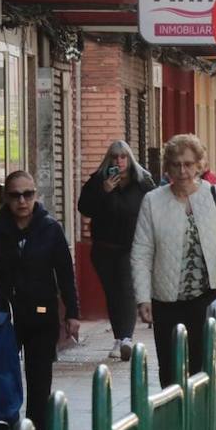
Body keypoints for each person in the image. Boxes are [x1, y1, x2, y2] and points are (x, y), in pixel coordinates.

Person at [132, 134, 216, 388]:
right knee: (170, 374)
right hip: (166, 301)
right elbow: (141, 251)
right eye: (175, 164)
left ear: (199, 165)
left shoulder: (215, 194)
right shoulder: (153, 201)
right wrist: (143, 298)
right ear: (167, 167)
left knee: (204, 369)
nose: (182, 170)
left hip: (208, 297)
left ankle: (203, 424)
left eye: (188, 163)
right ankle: (174, 425)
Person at [0, 173, 80, 430]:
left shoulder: (50, 228)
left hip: (41, 314)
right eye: (16, 195)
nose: (22, 201)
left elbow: (65, 273)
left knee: (39, 378)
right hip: (4, 316)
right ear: (6, 197)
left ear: (36, 195)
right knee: (4, 376)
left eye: (28, 194)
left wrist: (72, 314)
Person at [79, 141, 154, 361]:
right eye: (114, 157)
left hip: (132, 247)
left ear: (129, 159)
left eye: (123, 157)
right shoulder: (97, 181)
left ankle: (126, 338)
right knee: (113, 293)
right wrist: (104, 192)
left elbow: (154, 207)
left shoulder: (142, 181)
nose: (119, 162)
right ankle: (119, 337)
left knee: (126, 289)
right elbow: (84, 208)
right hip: (104, 248)